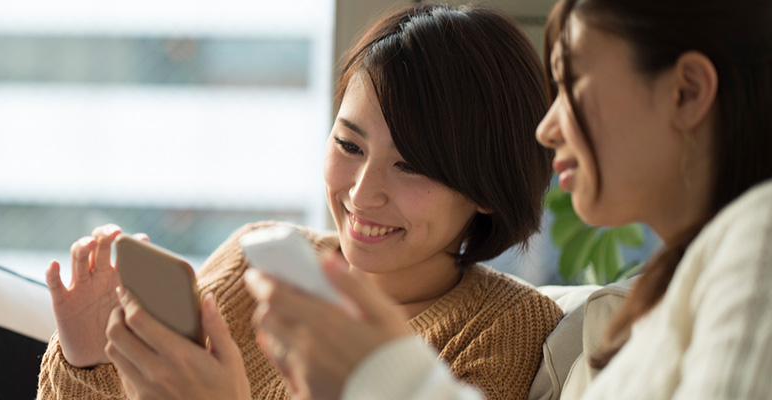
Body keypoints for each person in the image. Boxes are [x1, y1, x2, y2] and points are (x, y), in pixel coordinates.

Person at [246, 0, 772, 398]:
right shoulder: (663, 299)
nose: (546, 128)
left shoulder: (760, 243)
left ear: (686, 92)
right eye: (348, 143)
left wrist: (383, 372)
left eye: (572, 85)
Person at [37, 4, 565, 400]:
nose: (361, 193)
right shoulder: (254, 260)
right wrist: (88, 359)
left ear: (487, 184)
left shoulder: (505, 329)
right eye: (349, 145)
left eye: (411, 166)